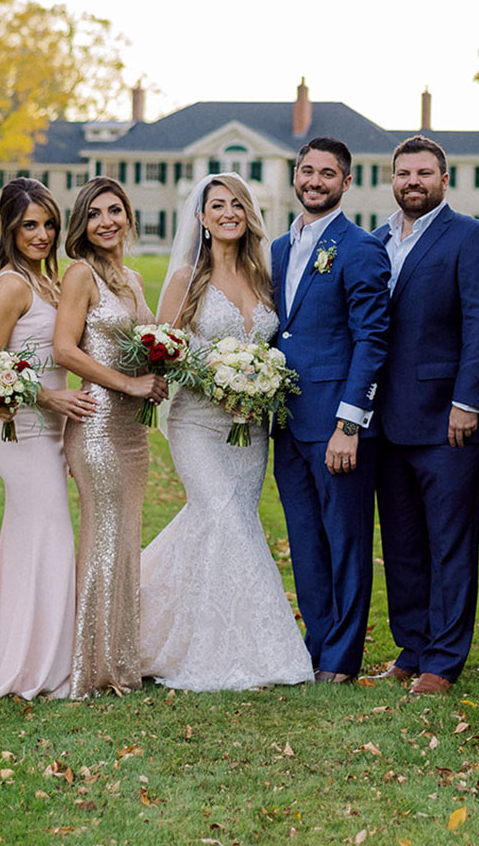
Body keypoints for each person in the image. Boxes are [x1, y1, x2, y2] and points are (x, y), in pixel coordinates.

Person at [140, 173, 314, 691]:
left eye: (238, 204)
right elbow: (163, 354)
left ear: (250, 214)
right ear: (201, 216)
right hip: (197, 422)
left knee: (226, 523)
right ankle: (253, 651)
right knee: (221, 515)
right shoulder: (183, 282)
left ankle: (154, 620)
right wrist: (214, 376)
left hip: (250, 428)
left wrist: (257, 382)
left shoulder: (265, 278)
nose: (228, 212)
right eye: (217, 205)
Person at [367, 136, 479, 696]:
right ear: (392, 180)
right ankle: (411, 646)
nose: (413, 181)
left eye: (424, 173)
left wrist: (467, 403)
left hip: (448, 419)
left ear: (443, 180)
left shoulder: (469, 239)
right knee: (400, 542)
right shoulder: (377, 242)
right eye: (404, 173)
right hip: (387, 421)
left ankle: (443, 660)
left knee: (449, 542)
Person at [269, 138, 391, 684]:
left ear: (346, 182)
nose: (314, 181)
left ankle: (341, 659)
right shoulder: (276, 249)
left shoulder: (360, 247)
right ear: (295, 175)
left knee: (345, 541)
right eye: (306, 170)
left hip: (336, 425)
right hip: (285, 422)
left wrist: (350, 422)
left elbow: (371, 339)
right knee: (305, 543)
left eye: (327, 174)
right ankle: (314, 648)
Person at [0, 178, 98, 700]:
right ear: (10, 228)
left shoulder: (49, 282)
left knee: (39, 537)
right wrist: (48, 399)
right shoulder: (10, 285)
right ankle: (33, 670)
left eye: (49, 223)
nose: (43, 234)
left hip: (55, 427)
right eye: (30, 225)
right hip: (20, 427)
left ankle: (36, 656)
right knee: (46, 534)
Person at [54, 177, 165, 698]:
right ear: (82, 223)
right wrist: (128, 383)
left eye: (114, 210)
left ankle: (121, 658)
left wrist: (160, 368)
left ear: (127, 216)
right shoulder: (80, 275)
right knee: (104, 541)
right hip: (96, 426)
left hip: (132, 432)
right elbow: (65, 350)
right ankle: (91, 669)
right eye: (94, 213)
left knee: (124, 543)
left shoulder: (131, 279)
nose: (106, 221)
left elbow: (139, 346)